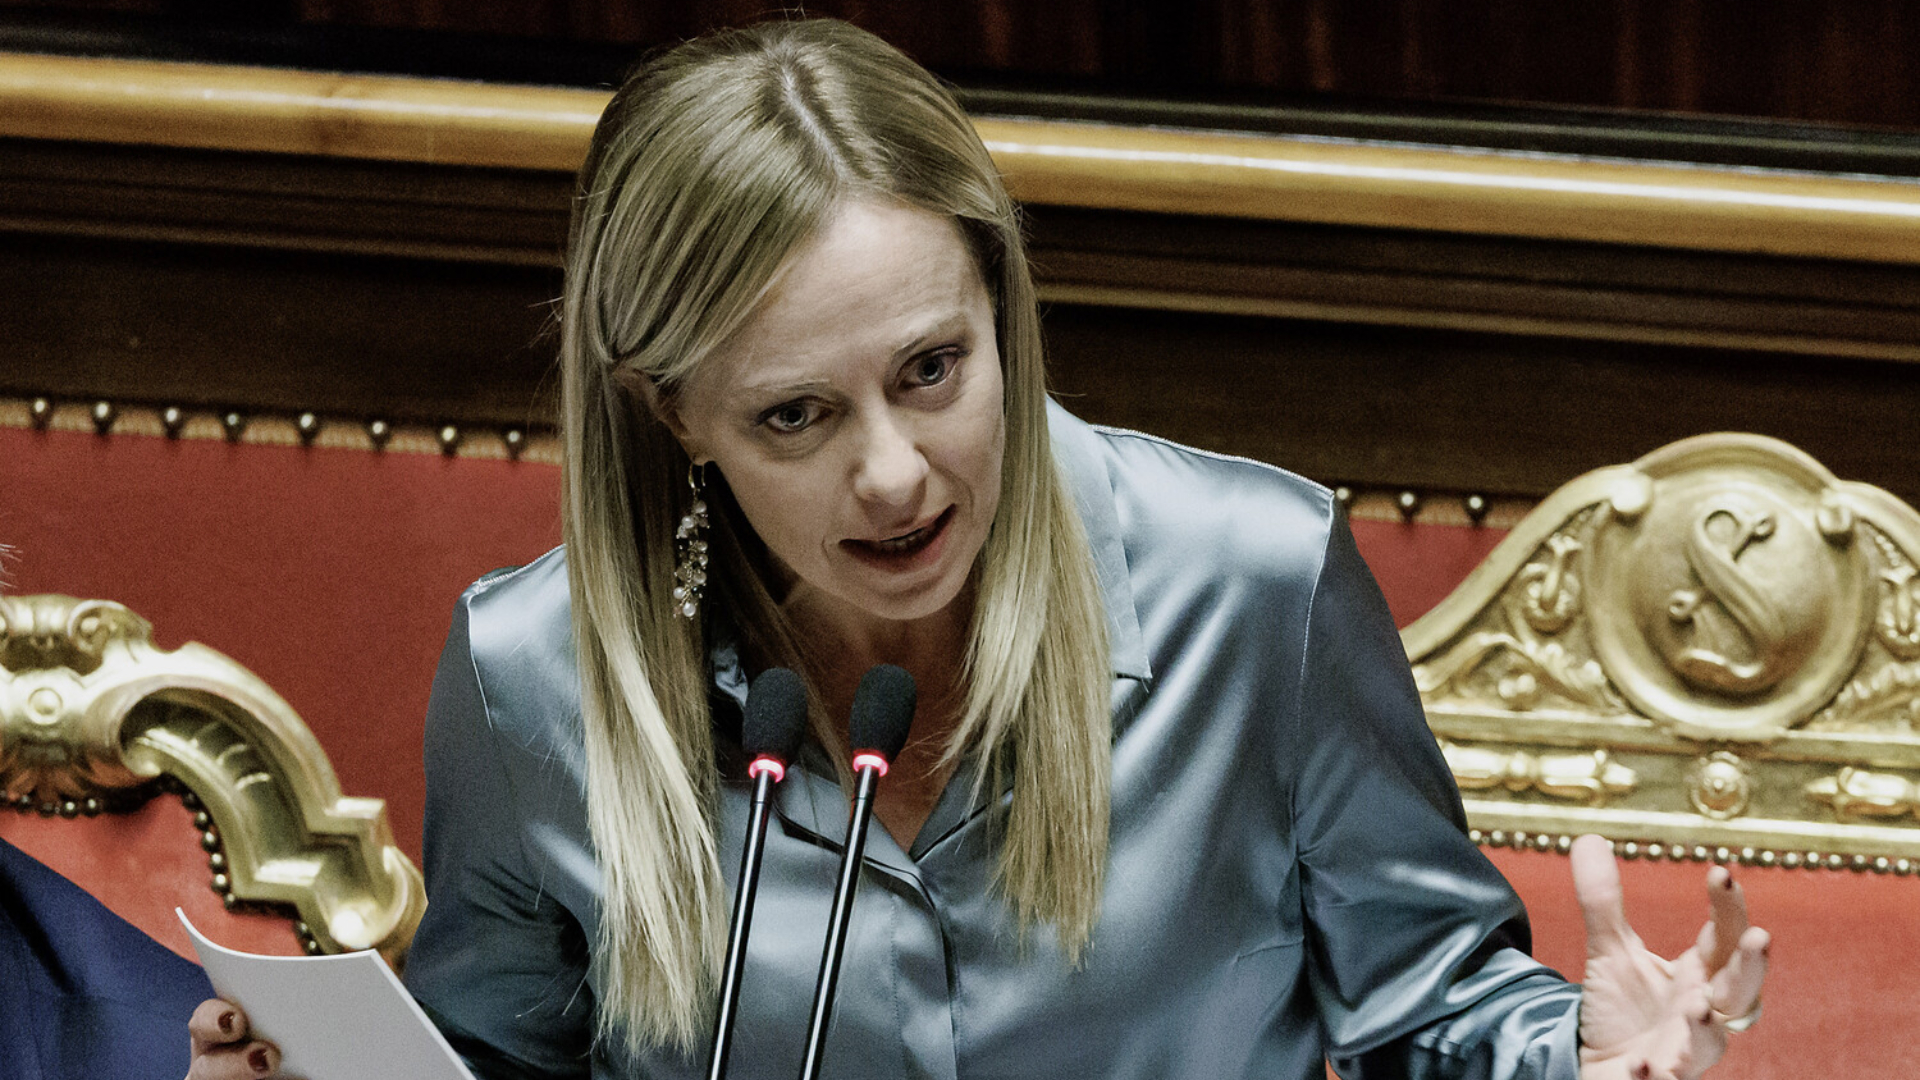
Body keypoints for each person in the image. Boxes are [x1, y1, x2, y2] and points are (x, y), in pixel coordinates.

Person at [188, 18, 1768, 1080]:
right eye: (797, 416)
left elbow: (1434, 1011)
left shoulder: (1253, 583)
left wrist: (1576, 1057)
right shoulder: (532, 683)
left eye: (933, 370)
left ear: (1000, 309)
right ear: (675, 415)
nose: (894, 473)